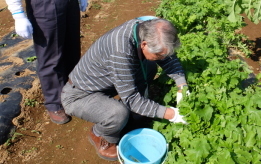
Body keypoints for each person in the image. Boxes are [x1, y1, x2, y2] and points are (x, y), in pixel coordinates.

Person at [61, 17, 189, 161]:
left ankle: (135, 115)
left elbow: (166, 57)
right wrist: (172, 114)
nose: (162, 57)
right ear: (144, 44)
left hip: (106, 83)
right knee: (118, 113)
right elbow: (132, 99)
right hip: (80, 94)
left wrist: (181, 85)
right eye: (159, 55)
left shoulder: (144, 30)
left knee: (149, 66)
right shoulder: (120, 49)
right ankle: (100, 135)